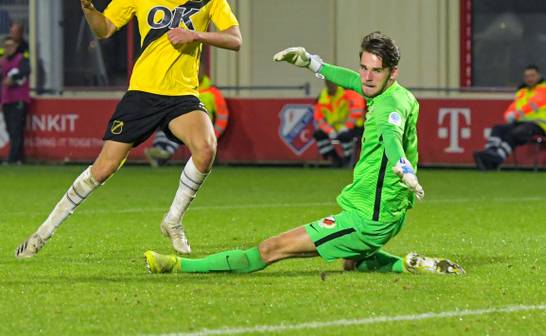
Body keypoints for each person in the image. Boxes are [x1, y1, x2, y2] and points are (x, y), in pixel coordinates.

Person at [143, 31, 464, 276]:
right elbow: (352, 81)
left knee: (270, 249)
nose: (367, 76)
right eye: (364, 67)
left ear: (392, 72)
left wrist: (402, 166)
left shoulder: (388, 106)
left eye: (375, 71)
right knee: (353, 263)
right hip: (384, 211)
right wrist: (312, 62)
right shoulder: (401, 95)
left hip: (369, 218)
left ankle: (176, 266)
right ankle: (414, 263)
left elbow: (391, 135)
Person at [15, 0, 242, 258]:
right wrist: (88, 6)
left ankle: (173, 220)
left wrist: (197, 36)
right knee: (103, 169)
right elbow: (104, 28)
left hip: (182, 95)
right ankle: (42, 234)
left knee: (206, 148)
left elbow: (235, 39)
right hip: (143, 94)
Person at [473, 65, 546, 171]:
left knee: (514, 133)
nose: (529, 79)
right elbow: (513, 107)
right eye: (527, 76)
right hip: (522, 124)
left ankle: (497, 158)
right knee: (498, 128)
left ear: (539, 76)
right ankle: (490, 153)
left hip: (539, 126)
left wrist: (515, 115)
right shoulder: (522, 92)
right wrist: (508, 115)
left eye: (532, 75)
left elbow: (533, 105)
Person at [144, 74, 229, 167]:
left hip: (202, 128)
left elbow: (222, 116)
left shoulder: (213, 92)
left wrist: (214, 136)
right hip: (183, 122)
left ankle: (163, 151)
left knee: (177, 129)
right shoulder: (182, 89)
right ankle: (161, 152)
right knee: (169, 124)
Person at [313, 79, 365, 167]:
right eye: (328, 83)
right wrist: (329, 130)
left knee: (345, 136)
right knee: (318, 134)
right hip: (333, 128)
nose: (330, 85)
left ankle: (348, 159)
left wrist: (346, 126)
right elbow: (319, 119)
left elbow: (357, 110)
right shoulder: (322, 97)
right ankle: (335, 158)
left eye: (332, 83)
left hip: (353, 126)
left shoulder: (347, 93)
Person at [1, 36, 31, 164]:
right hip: (6, 100)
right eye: (6, 46)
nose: (9, 48)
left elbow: (26, 71)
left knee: (16, 128)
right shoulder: (2, 61)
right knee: (10, 128)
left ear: (15, 47)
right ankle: (17, 157)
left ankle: (14, 158)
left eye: (11, 46)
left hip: (18, 99)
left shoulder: (21, 59)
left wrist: (13, 78)